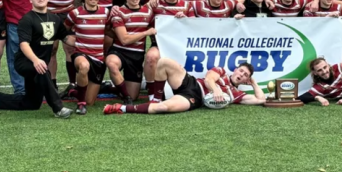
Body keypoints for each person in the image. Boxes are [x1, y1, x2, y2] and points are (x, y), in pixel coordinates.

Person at [0, 0, 75, 118]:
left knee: (32, 103)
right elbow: (24, 44)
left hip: (39, 63)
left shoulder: (55, 19)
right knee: (43, 71)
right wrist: (35, 60)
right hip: (25, 62)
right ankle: (58, 109)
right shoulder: (27, 19)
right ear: (30, 0)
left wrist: (86, 40)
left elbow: (66, 38)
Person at [103, 58, 265, 114]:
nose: (241, 75)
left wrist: (254, 82)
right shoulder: (221, 71)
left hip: (195, 99)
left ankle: (120, 108)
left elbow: (260, 99)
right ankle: (154, 98)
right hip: (192, 83)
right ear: (236, 69)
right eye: (241, 71)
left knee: (163, 108)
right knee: (165, 63)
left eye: (245, 76)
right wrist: (216, 89)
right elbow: (209, 79)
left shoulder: (235, 94)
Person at [2, 0, 45, 95]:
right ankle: (20, 89)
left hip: (35, 23)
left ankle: (33, 88)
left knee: (35, 56)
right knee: (16, 56)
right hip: (16, 22)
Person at [144, 0, 194, 102]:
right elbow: (141, 15)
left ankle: (192, 87)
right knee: (151, 57)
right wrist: (148, 3)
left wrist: (186, 19)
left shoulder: (187, 5)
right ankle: (152, 93)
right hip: (160, 44)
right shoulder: (155, 4)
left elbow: (194, 26)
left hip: (182, 45)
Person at [106, 0, 156, 105]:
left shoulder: (148, 12)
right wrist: (145, 33)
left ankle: (109, 88)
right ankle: (127, 99)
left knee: (134, 95)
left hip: (137, 55)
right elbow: (124, 40)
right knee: (112, 63)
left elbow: (157, 30)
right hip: (120, 51)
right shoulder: (119, 12)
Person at [64, 0, 110, 115]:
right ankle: (80, 104)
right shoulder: (75, 13)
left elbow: (109, 31)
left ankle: (73, 92)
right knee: (83, 66)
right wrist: (69, 40)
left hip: (99, 58)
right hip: (81, 53)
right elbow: (63, 30)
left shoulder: (105, 12)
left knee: (90, 101)